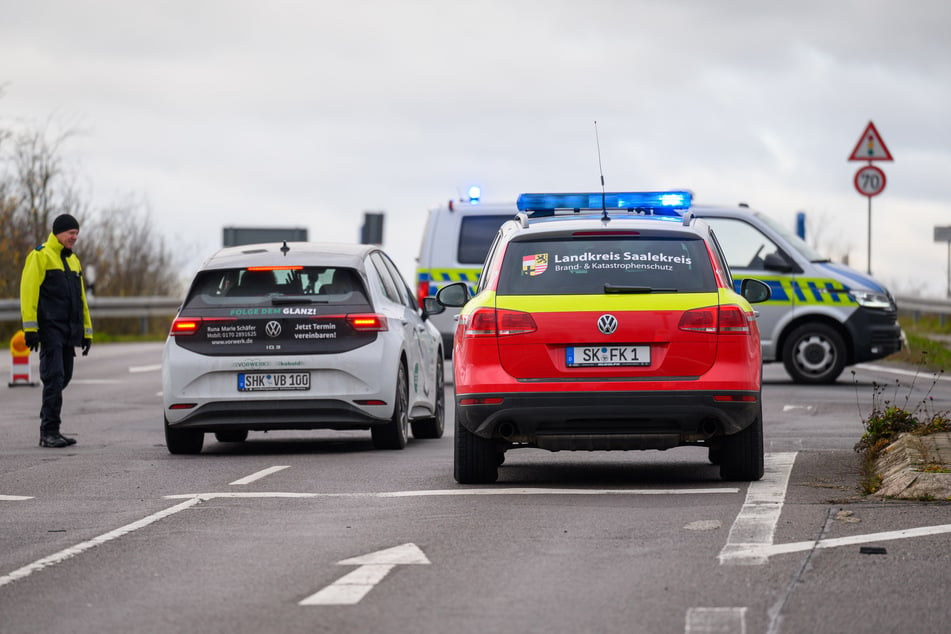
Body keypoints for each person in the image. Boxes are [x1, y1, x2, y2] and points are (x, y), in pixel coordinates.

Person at [19, 213, 93, 448]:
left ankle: (51, 428)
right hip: (49, 328)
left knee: (65, 377)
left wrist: (86, 332)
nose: (75, 238)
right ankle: (49, 431)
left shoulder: (73, 260)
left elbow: (81, 299)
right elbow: (28, 292)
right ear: (59, 232)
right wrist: (30, 327)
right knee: (55, 377)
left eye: (77, 234)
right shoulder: (39, 256)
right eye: (71, 233)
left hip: (69, 331)